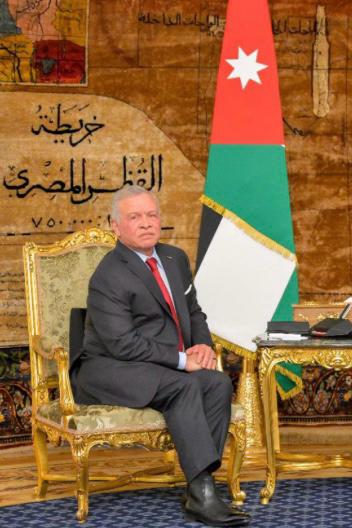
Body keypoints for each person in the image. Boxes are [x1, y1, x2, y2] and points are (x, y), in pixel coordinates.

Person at [71, 185, 249, 527]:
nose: (146, 223)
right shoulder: (109, 275)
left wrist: (202, 345)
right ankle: (204, 496)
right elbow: (122, 344)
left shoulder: (174, 258)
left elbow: (193, 311)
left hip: (157, 364)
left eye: (151, 215)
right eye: (134, 217)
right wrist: (183, 361)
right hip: (110, 367)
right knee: (184, 385)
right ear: (115, 225)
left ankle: (200, 488)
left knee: (217, 384)